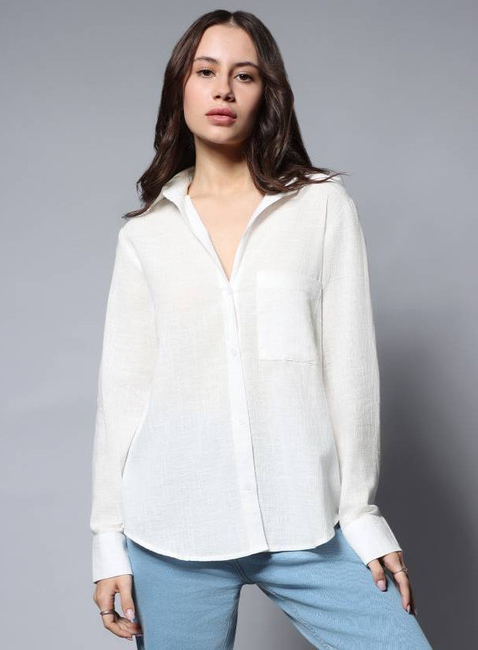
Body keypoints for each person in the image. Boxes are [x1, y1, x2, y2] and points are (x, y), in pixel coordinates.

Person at [90, 9, 433, 649]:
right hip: (172, 531)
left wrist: (361, 515)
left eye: (244, 75)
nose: (223, 89)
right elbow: (123, 392)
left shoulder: (322, 206)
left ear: (265, 93)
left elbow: (351, 371)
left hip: (307, 522)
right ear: (180, 88)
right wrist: (108, 539)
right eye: (205, 72)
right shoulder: (146, 235)